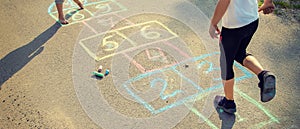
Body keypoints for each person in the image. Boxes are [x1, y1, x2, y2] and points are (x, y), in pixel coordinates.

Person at [209, 0, 276, 114]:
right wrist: (268, 1)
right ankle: (264, 75)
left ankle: (229, 102)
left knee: (226, 63)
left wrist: (213, 23)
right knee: (240, 53)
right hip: (252, 20)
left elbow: (224, 1)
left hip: (234, 27)